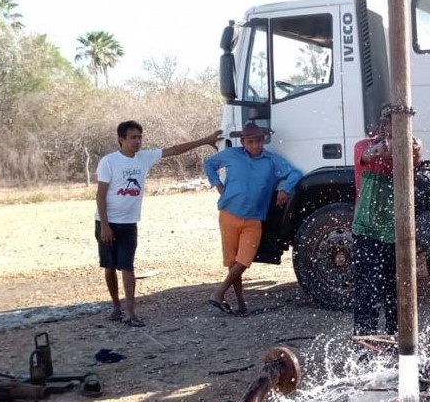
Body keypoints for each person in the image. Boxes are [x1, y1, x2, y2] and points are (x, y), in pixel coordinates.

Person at [95, 120, 221, 327]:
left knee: (127, 266)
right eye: (133, 137)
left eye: (139, 137)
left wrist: (206, 140)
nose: (137, 141)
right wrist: (105, 226)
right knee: (109, 266)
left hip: (128, 222)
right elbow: (100, 195)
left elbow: (174, 150)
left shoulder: (144, 158)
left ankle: (130, 312)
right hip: (107, 221)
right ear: (121, 139)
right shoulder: (109, 162)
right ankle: (116, 306)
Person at [202, 122, 302, 316]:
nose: (255, 145)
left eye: (258, 141)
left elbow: (294, 173)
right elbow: (209, 164)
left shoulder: (272, 161)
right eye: (250, 142)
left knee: (244, 260)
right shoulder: (233, 155)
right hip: (229, 214)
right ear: (243, 142)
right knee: (233, 263)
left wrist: (284, 188)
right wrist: (218, 186)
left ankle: (218, 293)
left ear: (263, 141)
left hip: (254, 218)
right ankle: (241, 305)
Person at [351, 105, 422, 335]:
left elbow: (415, 156)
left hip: (397, 231)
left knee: (397, 291)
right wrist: (395, 144)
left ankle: (396, 338)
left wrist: (409, 146)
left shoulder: (412, 146)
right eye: (397, 124)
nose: (404, 129)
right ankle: (366, 339)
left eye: (407, 124)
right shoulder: (365, 146)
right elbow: (376, 153)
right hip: (367, 231)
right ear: (384, 126)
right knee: (367, 291)